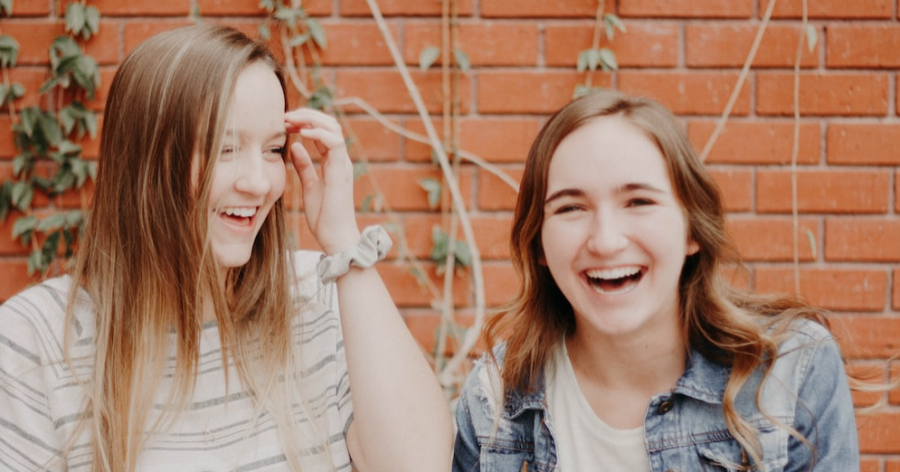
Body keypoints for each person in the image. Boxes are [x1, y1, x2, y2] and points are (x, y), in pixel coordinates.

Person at [0, 24, 452, 472]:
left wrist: (345, 244)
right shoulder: (36, 342)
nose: (258, 183)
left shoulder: (321, 295)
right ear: (146, 163)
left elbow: (421, 464)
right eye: (226, 148)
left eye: (274, 149)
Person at [453, 89, 859, 472]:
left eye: (639, 201)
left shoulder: (790, 371)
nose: (606, 241)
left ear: (693, 230)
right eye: (571, 207)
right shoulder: (494, 401)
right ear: (539, 243)